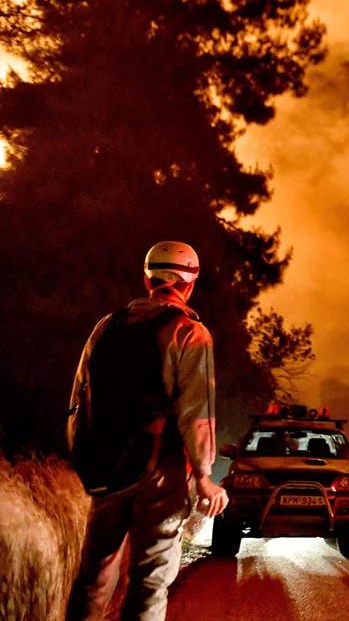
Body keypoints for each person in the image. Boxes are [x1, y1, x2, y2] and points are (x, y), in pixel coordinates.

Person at [67, 241, 227, 621]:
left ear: (147, 277)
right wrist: (204, 477)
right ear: (190, 284)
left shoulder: (107, 325)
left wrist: (84, 458)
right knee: (150, 582)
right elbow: (197, 412)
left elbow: (78, 398)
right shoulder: (190, 332)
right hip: (160, 473)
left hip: (105, 467)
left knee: (93, 576)